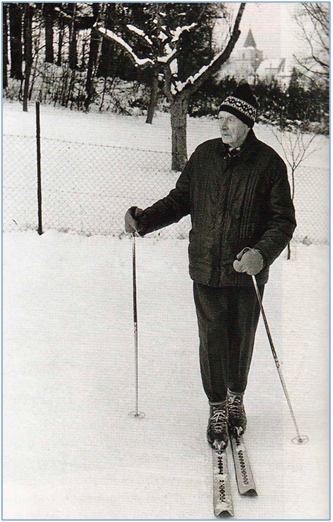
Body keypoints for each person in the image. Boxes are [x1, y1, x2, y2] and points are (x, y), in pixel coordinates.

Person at [125, 83, 296, 451]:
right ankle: (217, 406)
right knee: (212, 340)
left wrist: (262, 254)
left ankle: (237, 398)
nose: (223, 126)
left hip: (245, 273)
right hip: (205, 267)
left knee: (241, 339)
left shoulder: (269, 165)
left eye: (231, 120)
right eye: (220, 118)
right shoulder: (203, 157)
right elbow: (179, 201)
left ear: (248, 124)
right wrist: (145, 220)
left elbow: (283, 221)